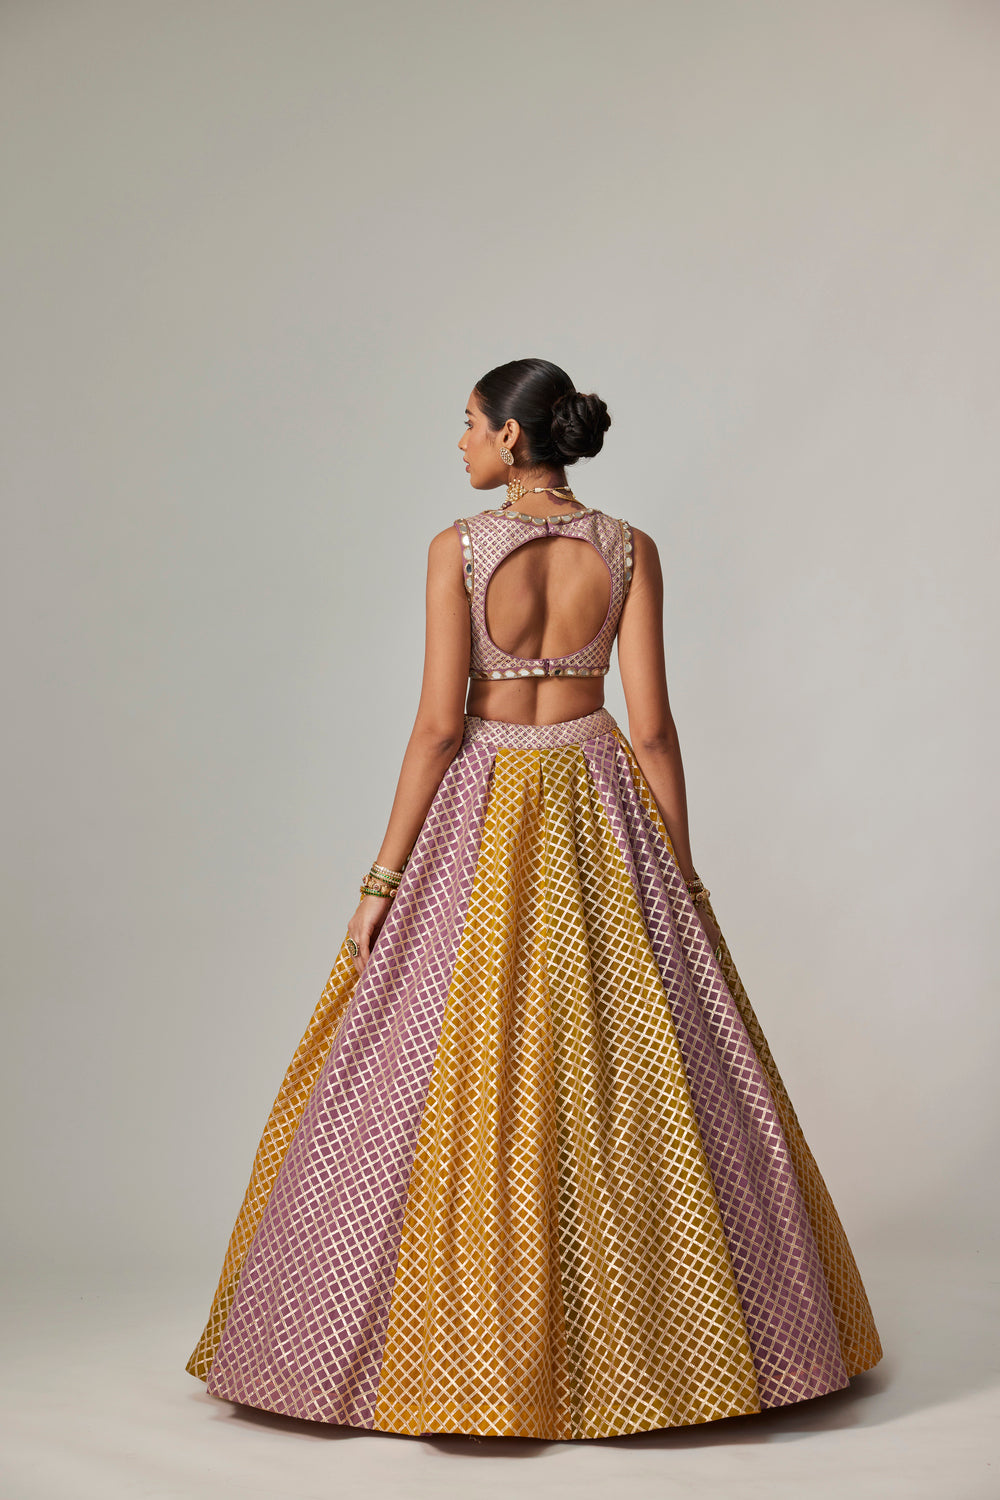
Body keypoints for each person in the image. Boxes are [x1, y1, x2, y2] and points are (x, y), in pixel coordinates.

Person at [185, 357, 883, 1441]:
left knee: (453, 1055)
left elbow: (436, 727)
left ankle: (443, 1354)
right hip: (601, 793)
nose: (460, 442)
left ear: (513, 437)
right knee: (630, 1062)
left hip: (485, 795)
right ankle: (665, 1350)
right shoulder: (629, 548)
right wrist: (680, 877)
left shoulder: (457, 549)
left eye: (469, 424)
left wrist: (381, 881)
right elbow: (654, 729)